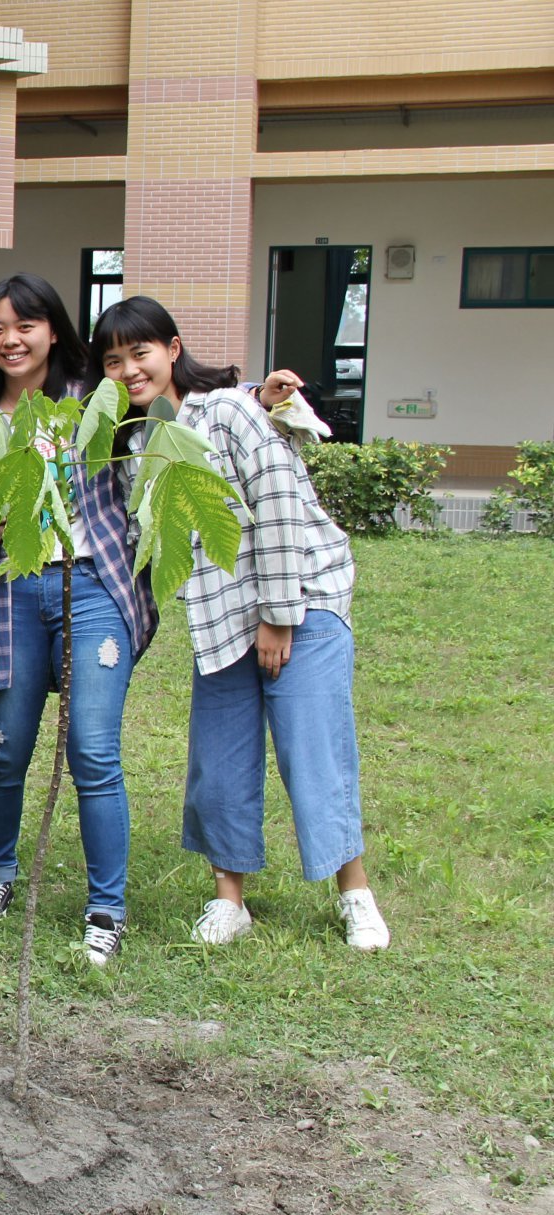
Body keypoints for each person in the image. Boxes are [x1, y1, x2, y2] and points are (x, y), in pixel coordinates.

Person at [89, 296, 389, 951]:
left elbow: (279, 504)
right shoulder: (136, 441)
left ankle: (355, 894)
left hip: (300, 606)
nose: (129, 370)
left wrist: (279, 618)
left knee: (315, 755)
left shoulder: (225, 410)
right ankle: (229, 901)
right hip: (221, 621)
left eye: (139, 352)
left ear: (172, 348)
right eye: (113, 361)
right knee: (219, 767)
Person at [0, 273, 154, 966]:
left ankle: (107, 906)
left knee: (93, 752)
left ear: (53, 329)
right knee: (2, 748)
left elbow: (168, 396)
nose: (12, 340)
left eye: (26, 325)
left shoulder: (94, 396)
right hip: (12, 588)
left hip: (92, 583)